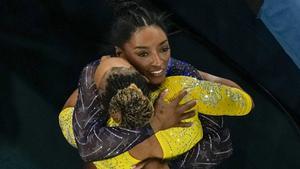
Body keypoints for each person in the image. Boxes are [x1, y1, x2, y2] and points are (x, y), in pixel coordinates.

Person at [61, 1, 250, 168]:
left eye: (164, 49)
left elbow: (221, 143)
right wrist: (155, 129)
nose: (158, 62)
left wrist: (199, 75)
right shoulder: (101, 74)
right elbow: (89, 149)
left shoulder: (178, 72)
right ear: (121, 54)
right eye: (143, 53)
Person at [59, 57, 252, 168]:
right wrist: (186, 73)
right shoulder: (179, 93)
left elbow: (243, 102)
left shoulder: (81, 133)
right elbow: (243, 101)